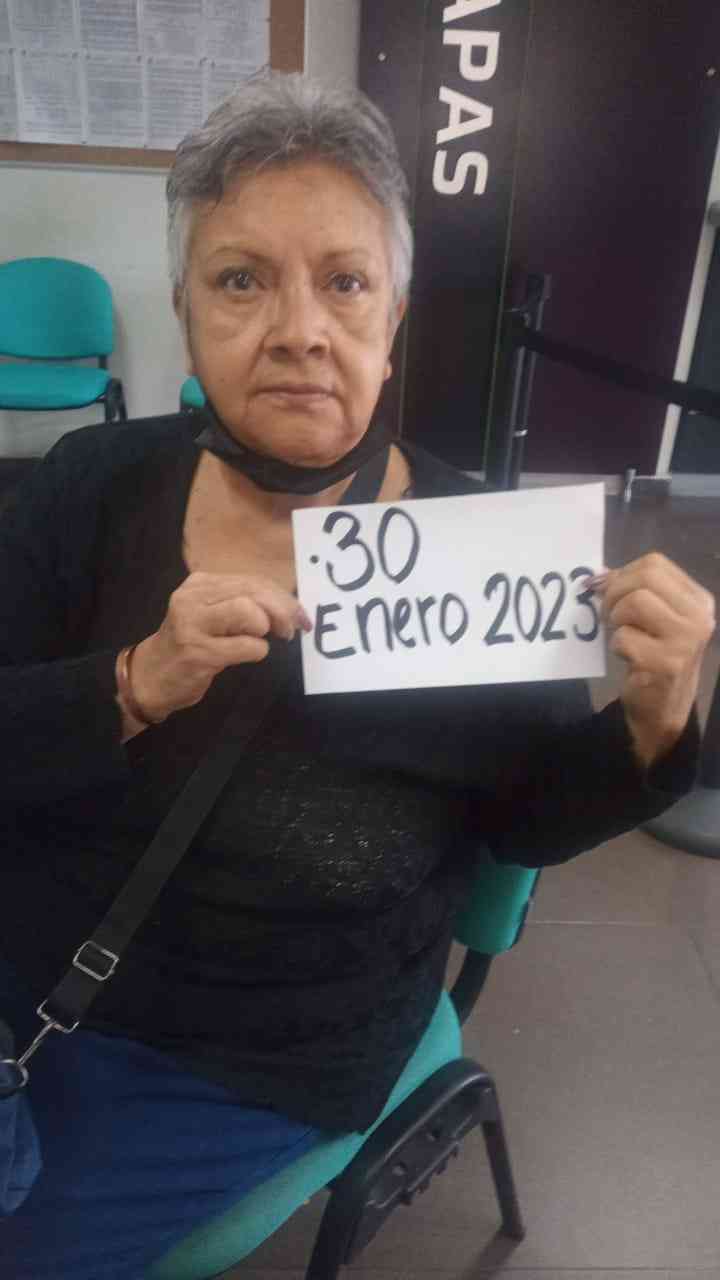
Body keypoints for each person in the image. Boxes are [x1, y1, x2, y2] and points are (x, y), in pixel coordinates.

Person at [0, 72, 714, 1279]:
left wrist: (655, 716)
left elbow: (527, 821)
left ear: (394, 319)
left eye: (344, 281)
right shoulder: (89, 483)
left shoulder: (476, 550)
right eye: (241, 280)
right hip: (24, 959)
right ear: (185, 309)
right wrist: (130, 681)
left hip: (255, 1050)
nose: (298, 329)